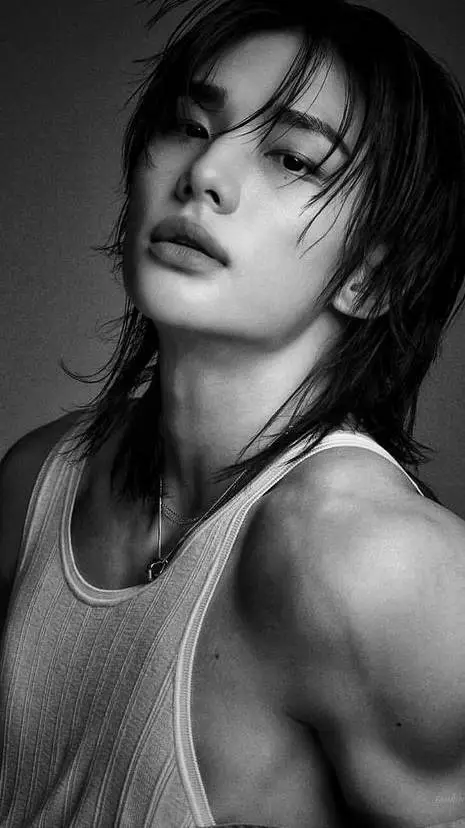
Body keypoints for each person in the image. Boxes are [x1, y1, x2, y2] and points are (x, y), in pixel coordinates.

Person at [1, 0, 465, 824]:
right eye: (189, 125)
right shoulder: (36, 481)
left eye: (293, 158)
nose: (204, 173)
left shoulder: (378, 565)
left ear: (374, 275)